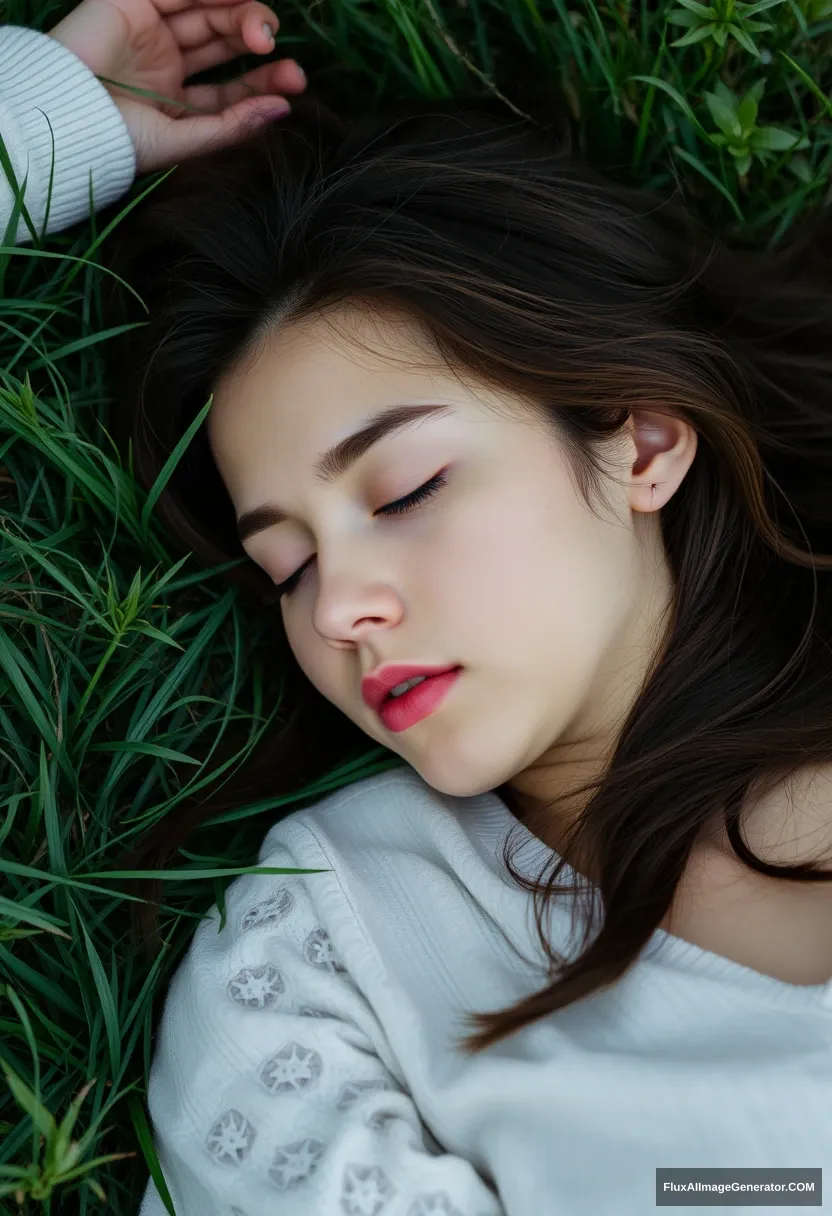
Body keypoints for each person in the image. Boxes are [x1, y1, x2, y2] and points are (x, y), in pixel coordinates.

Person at [2, 5, 832, 1215]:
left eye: (404, 489)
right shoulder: (327, 950)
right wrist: (36, 124)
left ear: (644, 441)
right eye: (284, 566)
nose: (336, 607)